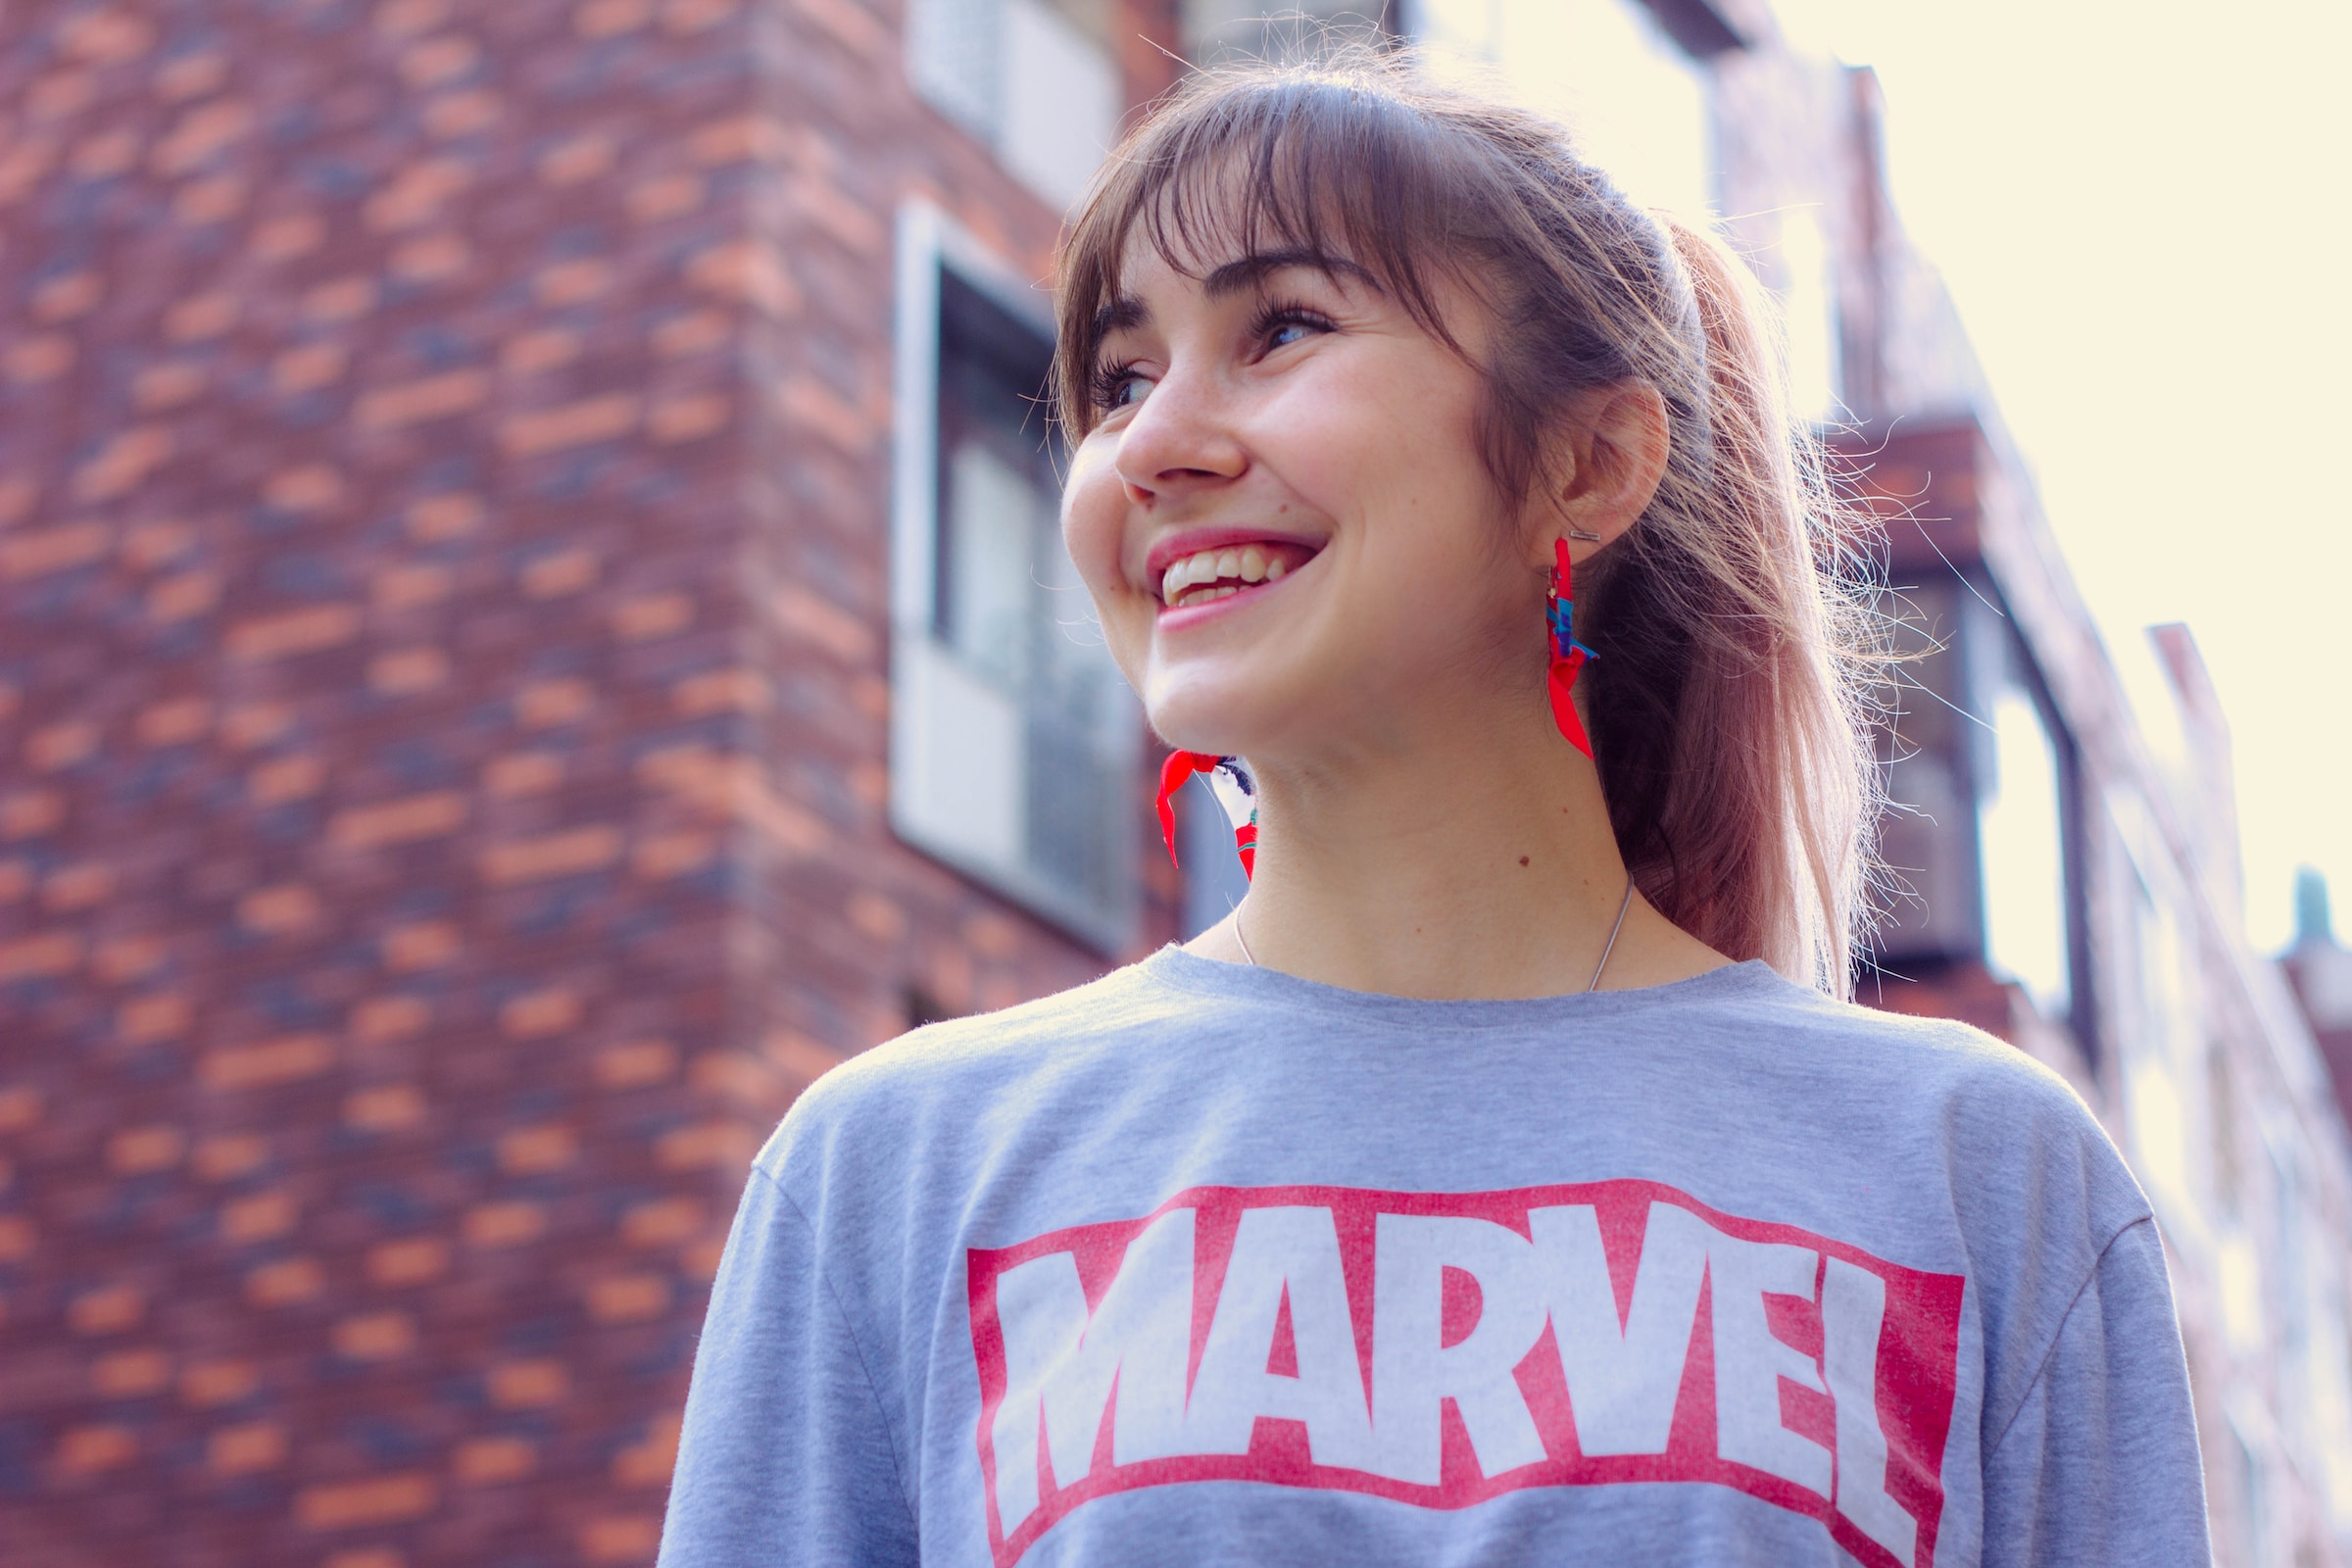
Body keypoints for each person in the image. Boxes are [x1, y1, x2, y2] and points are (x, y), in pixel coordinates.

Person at [657, 56, 2209, 1568]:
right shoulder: (891, 1168)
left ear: (1587, 463)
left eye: (1283, 329)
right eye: (1123, 378)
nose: (1155, 445)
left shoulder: (1976, 1174)